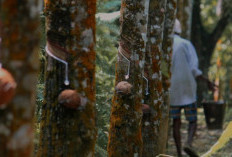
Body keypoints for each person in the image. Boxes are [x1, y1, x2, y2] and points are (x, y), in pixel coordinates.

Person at [169, 19, 216, 157]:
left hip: (172, 89)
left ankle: (179, 153)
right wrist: (207, 81)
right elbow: (194, 69)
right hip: (187, 87)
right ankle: (188, 143)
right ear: (179, 29)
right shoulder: (185, 44)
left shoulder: (165, 46)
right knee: (192, 120)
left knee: (175, 121)